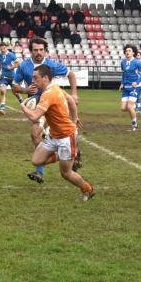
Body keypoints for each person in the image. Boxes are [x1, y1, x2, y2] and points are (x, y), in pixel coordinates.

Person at [20, 64, 94, 201]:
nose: (33, 81)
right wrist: (75, 118)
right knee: (36, 160)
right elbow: (71, 100)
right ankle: (70, 154)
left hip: (66, 136)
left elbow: (34, 117)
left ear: (45, 78)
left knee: (65, 173)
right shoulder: (55, 88)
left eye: (36, 78)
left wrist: (23, 107)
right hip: (54, 135)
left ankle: (87, 189)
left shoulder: (48, 94)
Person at [12, 37, 78, 183]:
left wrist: (74, 94)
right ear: (30, 51)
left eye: (41, 49)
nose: (38, 52)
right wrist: (25, 89)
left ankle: (71, 154)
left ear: (45, 50)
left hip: (54, 106)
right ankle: (39, 171)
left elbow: (71, 74)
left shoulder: (51, 65)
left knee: (62, 134)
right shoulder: (24, 66)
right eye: (35, 50)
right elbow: (14, 87)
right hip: (38, 107)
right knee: (35, 134)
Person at [120, 44, 141, 131]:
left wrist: (137, 82)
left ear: (133, 53)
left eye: (129, 51)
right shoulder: (122, 62)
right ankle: (137, 104)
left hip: (135, 87)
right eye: (126, 51)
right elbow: (123, 74)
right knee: (123, 108)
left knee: (130, 107)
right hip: (126, 87)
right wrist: (122, 83)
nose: (127, 52)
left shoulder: (138, 62)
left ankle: (134, 125)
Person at [0, 42, 21, 115]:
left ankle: (22, 102)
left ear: (6, 47)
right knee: (2, 91)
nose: (2, 50)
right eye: (1, 49)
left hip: (12, 77)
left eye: (3, 48)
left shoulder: (11, 55)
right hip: (4, 77)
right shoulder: (0, 56)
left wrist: (12, 67)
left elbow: (18, 62)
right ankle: (2, 109)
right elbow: (0, 63)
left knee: (15, 93)